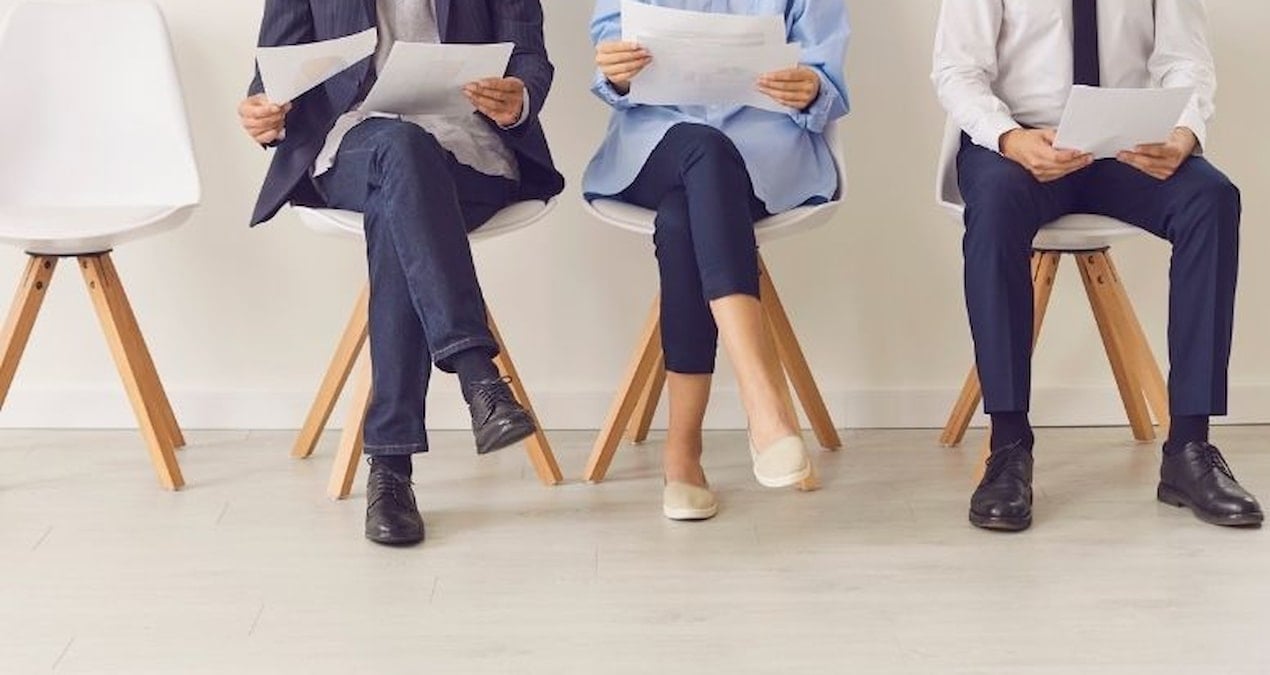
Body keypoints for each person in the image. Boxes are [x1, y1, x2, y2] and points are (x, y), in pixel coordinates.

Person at [239, 0, 565, 546]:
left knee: (399, 208)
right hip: (354, 146)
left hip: (469, 150)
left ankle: (391, 468)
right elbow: (276, 73)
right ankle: (477, 376)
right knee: (400, 148)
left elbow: (528, 55)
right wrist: (264, 115)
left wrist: (519, 99)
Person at [932, 0, 1262, 531]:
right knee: (993, 210)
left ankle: (1189, 448)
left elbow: (1184, 59)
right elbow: (957, 70)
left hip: (1124, 147)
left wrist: (1184, 131)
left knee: (1212, 199)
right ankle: (1008, 446)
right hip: (1020, 145)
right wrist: (1010, 138)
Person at [585, 0, 849, 521]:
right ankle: (762, 401)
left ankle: (682, 453)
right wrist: (616, 73)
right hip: (655, 146)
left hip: (763, 157)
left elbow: (826, 80)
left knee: (681, 220)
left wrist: (812, 88)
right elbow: (610, 64)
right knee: (703, 148)